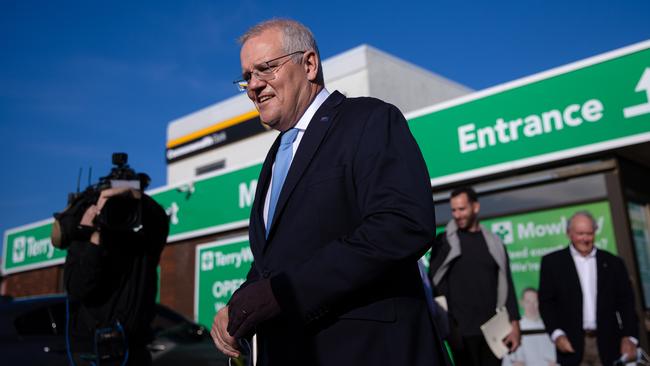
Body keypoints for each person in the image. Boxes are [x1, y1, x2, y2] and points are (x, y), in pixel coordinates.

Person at [210, 19, 447, 366]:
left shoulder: (368, 119)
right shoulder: (275, 157)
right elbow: (274, 262)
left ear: (309, 64)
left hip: (369, 351)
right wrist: (241, 302)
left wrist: (285, 293)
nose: (254, 86)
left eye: (265, 69)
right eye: (247, 76)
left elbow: (403, 224)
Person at [58, 157, 169, 366]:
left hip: (133, 352)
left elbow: (159, 221)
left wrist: (135, 194)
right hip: (93, 353)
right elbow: (78, 289)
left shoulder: (142, 246)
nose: (117, 210)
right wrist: (95, 237)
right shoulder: (83, 243)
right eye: (111, 206)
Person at [429, 186, 521, 366]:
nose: (457, 215)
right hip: (460, 333)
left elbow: (506, 283)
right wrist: (447, 328)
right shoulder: (444, 242)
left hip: (494, 331)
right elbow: (435, 285)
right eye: (453, 210)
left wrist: (514, 324)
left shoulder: (494, 243)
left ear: (475, 207)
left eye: (462, 209)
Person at [538, 211, 639, 366]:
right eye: (580, 233)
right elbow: (546, 304)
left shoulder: (614, 263)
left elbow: (626, 302)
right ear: (569, 233)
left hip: (608, 344)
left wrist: (630, 337)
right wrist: (557, 334)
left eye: (589, 233)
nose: (585, 238)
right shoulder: (552, 263)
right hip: (571, 345)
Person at [503, 288, 556, 366]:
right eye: (528, 301)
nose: (532, 306)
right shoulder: (514, 329)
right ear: (521, 303)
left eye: (535, 301)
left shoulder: (551, 327)